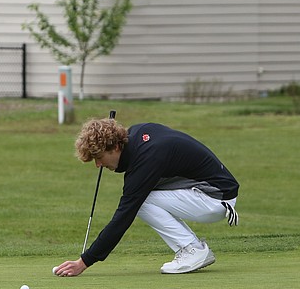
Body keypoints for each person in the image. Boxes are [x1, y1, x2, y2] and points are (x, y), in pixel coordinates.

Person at [53, 118, 239, 276]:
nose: (98, 164)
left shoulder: (145, 159)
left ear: (116, 147)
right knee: (141, 199)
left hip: (214, 199)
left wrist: (84, 261)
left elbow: (123, 217)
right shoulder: (138, 135)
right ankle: (192, 248)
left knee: (140, 202)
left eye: (99, 157)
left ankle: (193, 250)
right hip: (205, 192)